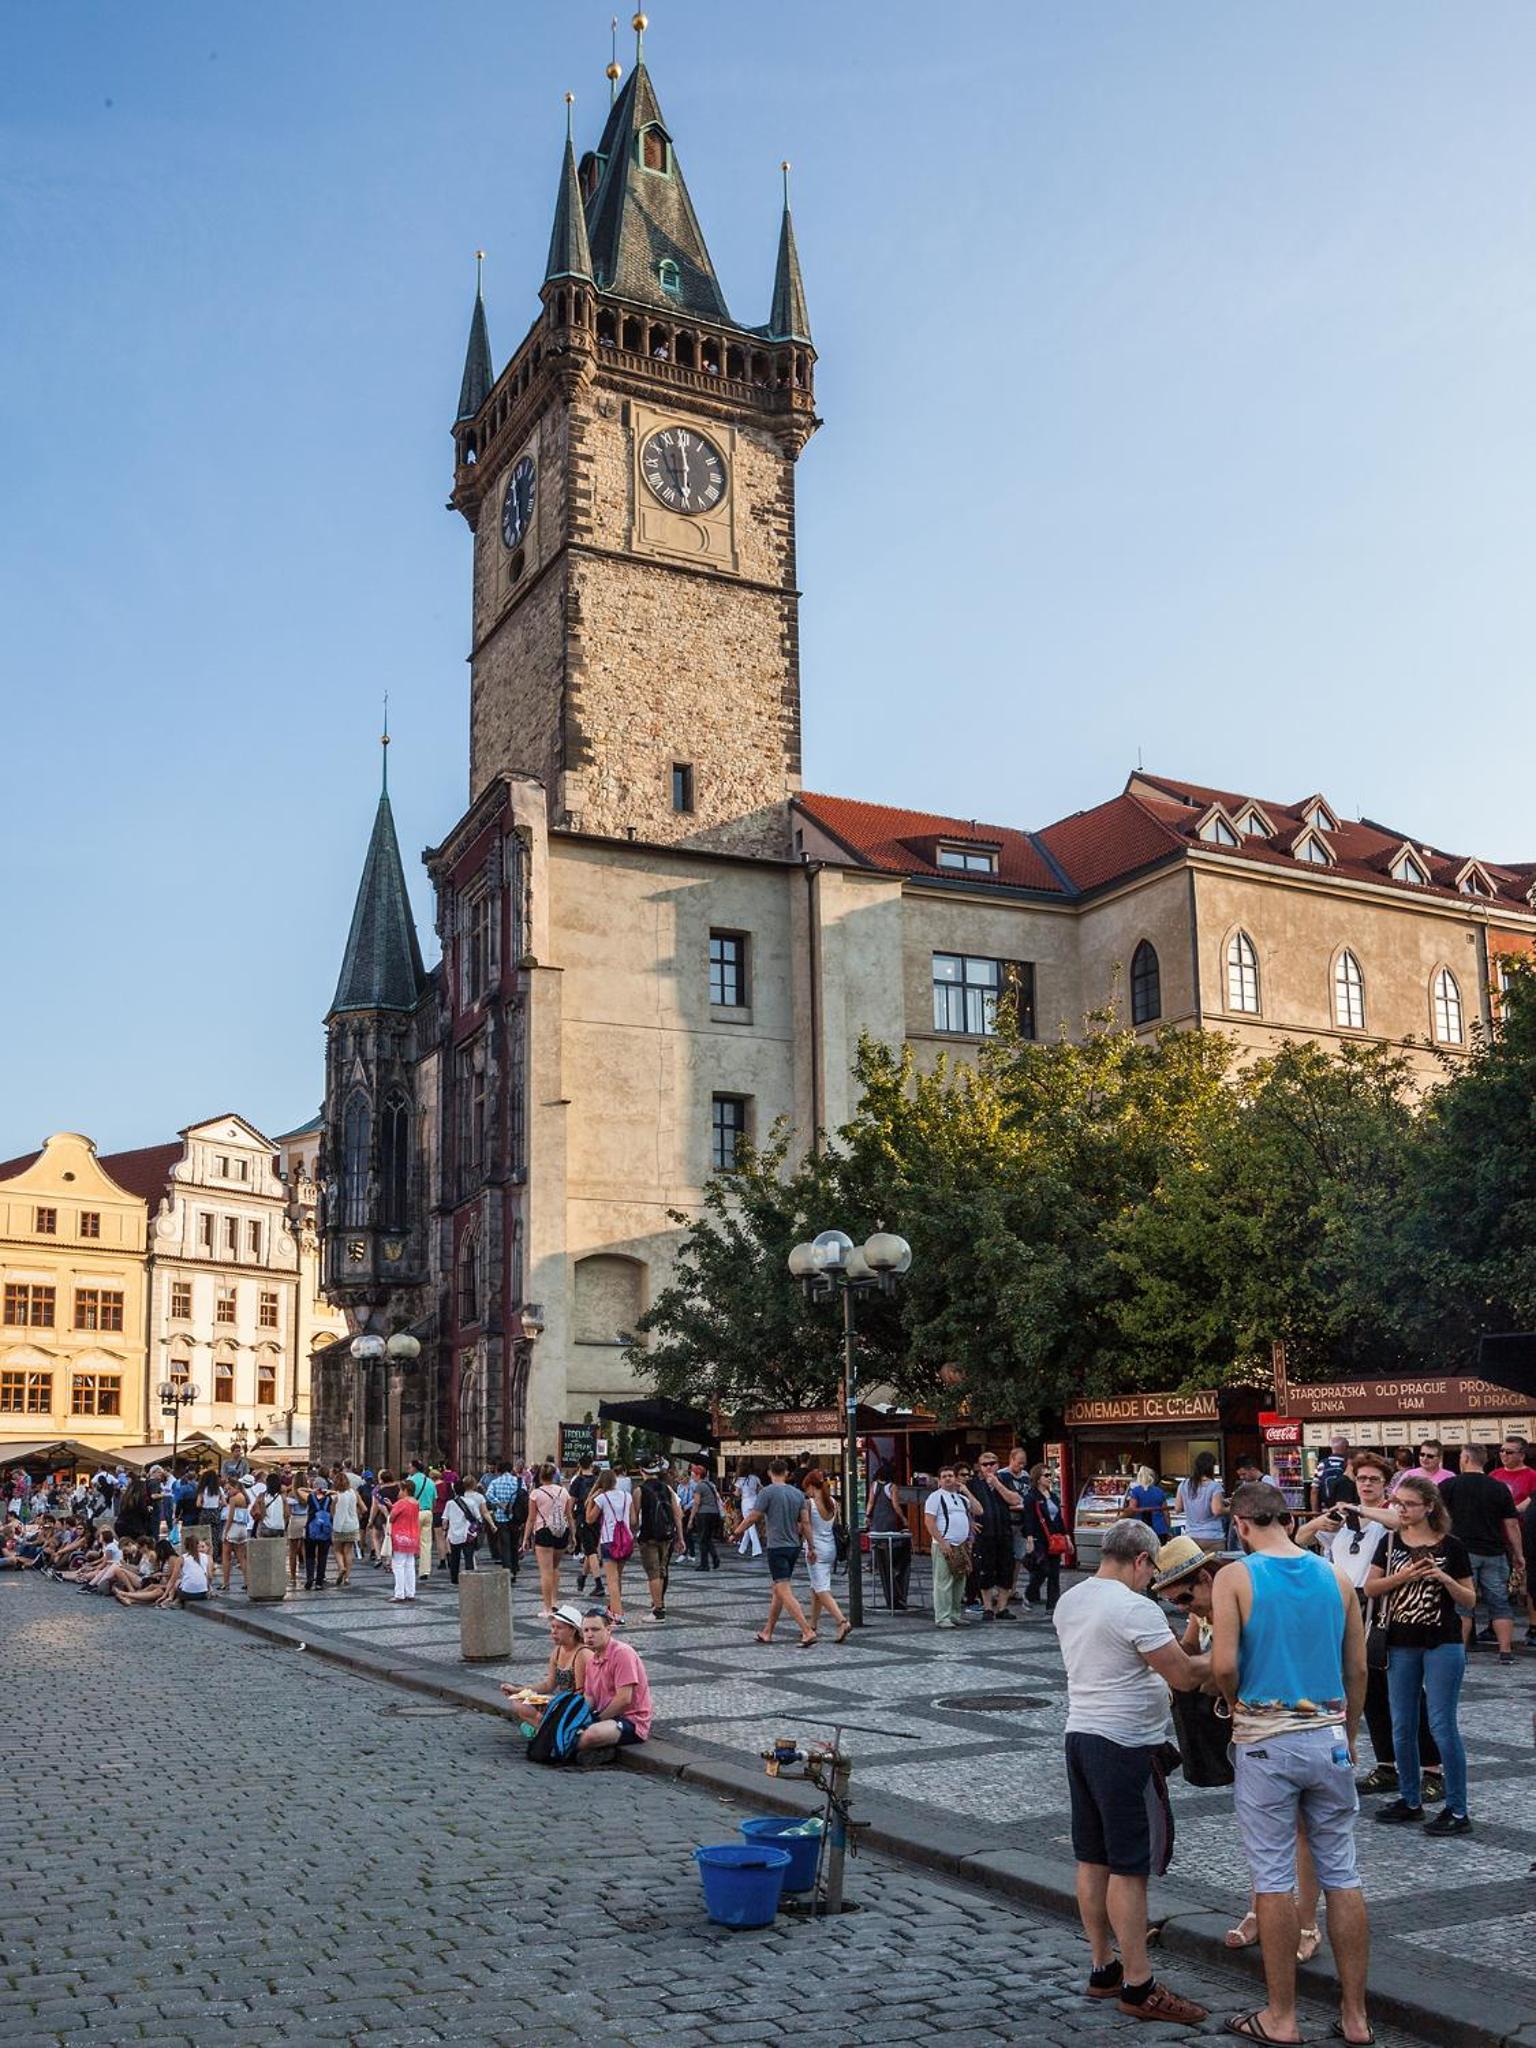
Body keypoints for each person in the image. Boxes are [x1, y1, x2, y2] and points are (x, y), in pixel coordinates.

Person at [1211, 1481, 1370, 2047]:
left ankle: (1282, 2015)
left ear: (1241, 1524)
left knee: (1274, 1879)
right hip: (1328, 1738)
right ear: (1285, 1517)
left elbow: (1225, 1662)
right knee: (1342, 1875)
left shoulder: (1236, 1576)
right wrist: (1346, 1734)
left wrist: (1233, 1703)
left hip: (1266, 1741)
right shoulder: (1338, 1579)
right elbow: (1357, 1672)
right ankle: (1355, 2017)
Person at [1053, 1518, 1211, 2027]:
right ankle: (1139, 1984)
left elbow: (1147, 1659)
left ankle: (1102, 1966)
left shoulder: (1072, 1599)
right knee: (1129, 1868)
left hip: (1080, 1737)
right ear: (1142, 1560)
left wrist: (1188, 1635)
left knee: (1092, 1858)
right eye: (1152, 1571)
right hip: (1124, 1748)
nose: (1154, 1583)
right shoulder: (1133, 1607)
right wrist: (1228, 1654)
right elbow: (1184, 1676)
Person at [1295, 1453, 1442, 1802]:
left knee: (1406, 1692)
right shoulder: (1343, 1521)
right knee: (1367, 1690)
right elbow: (1300, 1538)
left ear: (1385, 1484)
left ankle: (1433, 1769)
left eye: (1374, 1479)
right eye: (1361, 1479)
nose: (1366, 1485)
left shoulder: (1389, 1517)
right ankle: (1387, 1764)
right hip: (1346, 1609)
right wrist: (1321, 1523)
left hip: (1384, 1609)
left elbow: (1397, 1522)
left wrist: (1361, 1510)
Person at [1364, 1473, 1476, 1835]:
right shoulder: (1390, 1541)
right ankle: (1410, 1799)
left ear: (1429, 1506)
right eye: (1397, 1503)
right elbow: (1371, 1587)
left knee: (1442, 1725)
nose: (1401, 1510)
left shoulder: (1452, 1546)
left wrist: (1443, 1579)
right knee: (1402, 1725)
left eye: (1409, 1504)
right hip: (1399, 1641)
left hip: (1442, 1642)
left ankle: (1457, 1809)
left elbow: (1470, 1600)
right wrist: (1407, 1575)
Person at [1440, 1443, 1522, 1664]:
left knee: (1462, 1604)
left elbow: (1438, 1519)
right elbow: (1511, 1524)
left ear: (1465, 1458)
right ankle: (1505, 1652)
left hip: (1460, 1552)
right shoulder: (1499, 1488)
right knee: (1500, 1602)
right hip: (1494, 1551)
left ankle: (1460, 1650)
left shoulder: (1449, 1485)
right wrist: (1518, 1554)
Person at [738, 1458, 817, 1647]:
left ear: (769, 1473)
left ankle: (806, 1631)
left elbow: (754, 1516)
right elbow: (805, 1523)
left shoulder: (767, 1492)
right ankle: (768, 1631)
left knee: (783, 1590)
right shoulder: (798, 1494)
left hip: (777, 1546)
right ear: (787, 1473)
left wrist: (737, 1532)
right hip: (794, 1546)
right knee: (777, 1590)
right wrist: (811, 1546)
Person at [499, 1603, 590, 1730]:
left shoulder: (582, 1654)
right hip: (560, 1701)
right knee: (518, 1701)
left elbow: (581, 1694)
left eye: (559, 1628)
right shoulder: (558, 1651)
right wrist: (517, 1690)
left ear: (573, 1630)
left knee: (536, 1709)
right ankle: (546, 1727)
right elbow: (548, 1685)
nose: (554, 1632)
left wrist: (552, 1701)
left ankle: (544, 1729)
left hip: (575, 1704)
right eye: (552, 1627)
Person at [576, 1607, 653, 1752]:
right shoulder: (592, 1660)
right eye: (586, 1630)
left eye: (595, 1629)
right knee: (570, 1726)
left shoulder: (622, 1653)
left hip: (631, 1720)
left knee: (591, 1734)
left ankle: (563, 1750)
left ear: (608, 1629)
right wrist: (577, 1715)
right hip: (606, 1716)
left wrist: (596, 1720)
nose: (590, 1635)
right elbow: (590, 1697)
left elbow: (624, 1699)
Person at [965, 1452, 1022, 1621]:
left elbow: (1015, 1500)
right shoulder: (973, 1484)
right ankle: (988, 1607)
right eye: (985, 1464)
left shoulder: (1005, 1480)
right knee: (985, 1570)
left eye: (992, 1463)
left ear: (998, 1465)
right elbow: (964, 1505)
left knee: (1006, 1570)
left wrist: (997, 1484)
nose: (989, 1467)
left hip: (1004, 1531)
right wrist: (970, 1523)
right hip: (984, 1534)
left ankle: (1002, 1607)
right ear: (979, 1467)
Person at [799, 1467, 852, 1643]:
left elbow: (805, 1526)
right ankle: (812, 1624)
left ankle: (842, 1621)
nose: (806, 1492)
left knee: (822, 1590)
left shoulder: (809, 1504)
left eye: (806, 1488)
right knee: (816, 1587)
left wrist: (811, 1547)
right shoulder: (833, 1503)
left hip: (815, 1550)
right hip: (830, 1548)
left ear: (812, 1487)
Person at [923, 1465, 977, 1629]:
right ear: (939, 1480)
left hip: (961, 1545)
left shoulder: (961, 1498)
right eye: (944, 1476)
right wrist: (941, 1541)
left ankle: (955, 1614)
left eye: (951, 1476)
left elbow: (978, 1510)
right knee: (943, 1582)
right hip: (945, 1544)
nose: (948, 1479)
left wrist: (967, 1492)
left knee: (959, 1581)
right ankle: (942, 1616)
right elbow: (929, 1522)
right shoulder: (935, 1497)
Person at [586, 1467, 635, 1625]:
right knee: (618, 1577)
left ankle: (617, 1614)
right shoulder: (627, 1496)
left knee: (612, 1580)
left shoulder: (602, 1498)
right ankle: (614, 1608)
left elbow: (589, 1519)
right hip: (626, 1540)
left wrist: (591, 1499)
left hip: (609, 1541)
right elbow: (633, 1520)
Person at [523, 1464, 573, 1618]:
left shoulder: (536, 1494)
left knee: (545, 1571)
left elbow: (531, 1518)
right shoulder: (564, 1491)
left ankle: (546, 1608)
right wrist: (573, 1535)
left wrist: (525, 1538)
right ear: (554, 1476)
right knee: (555, 1568)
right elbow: (569, 1515)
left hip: (543, 1530)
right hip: (561, 1531)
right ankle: (554, 1601)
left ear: (539, 1476)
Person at [635, 1462, 684, 1620]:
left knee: (653, 1573)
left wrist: (630, 1534)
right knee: (662, 1571)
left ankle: (658, 1610)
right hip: (667, 1536)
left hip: (648, 1536)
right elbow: (678, 1514)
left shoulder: (639, 1490)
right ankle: (659, 1603)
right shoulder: (667, 1488)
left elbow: (633, 1519)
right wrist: (680, 1537)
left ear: (642, 1470)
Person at [1023, 1463, 1073, 1610]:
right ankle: (1030, 1593)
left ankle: (1052, 1605)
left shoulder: (1053, 1497)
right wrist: (1030, 1538)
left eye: (1050, 1475)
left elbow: (1059, 1518)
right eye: (1046, 1475)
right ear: (1038, 1478)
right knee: (1042, 1569)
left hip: (1054, 1536)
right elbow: (1029, 1519)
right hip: (1040, 1537)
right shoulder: (1031, 1497)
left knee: (1054, 1573)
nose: (1050, 1478)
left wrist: (1066, 1536)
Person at [867, 1460, 911, 1609]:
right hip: (888, 1517)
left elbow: (871, 1502)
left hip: (877, 1518)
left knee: (877, 1543)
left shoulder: (873, 1486)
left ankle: (874, 1563)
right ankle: (886, 1564)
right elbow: (895, 1505)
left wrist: (867, 1516)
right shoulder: (892, 1487)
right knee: (888, 1542)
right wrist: (903, 1518)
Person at [1173, 1451, 1226, 1551]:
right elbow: (1217, 1510)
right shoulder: (1214, 1486)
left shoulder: (1184, 1485)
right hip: (1213, 1536)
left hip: (1191, 1537)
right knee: (1216, 1566)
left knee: (1195, 1567)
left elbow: (1178, 1508)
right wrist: (1230, 1508)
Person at [440, 1477, 486, 1584]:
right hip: (468, 1534)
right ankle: (469, 1578)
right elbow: (478, 1518)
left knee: (454, 1557)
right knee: (468, 1556)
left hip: (454, 1535)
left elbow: (445, 1520)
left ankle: (454, 1578)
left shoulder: (450, 1503)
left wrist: (444, 1530)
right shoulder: (471, 1502)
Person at [484, 1459, 523, 1574]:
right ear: (511, 1469)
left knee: (505, 1544)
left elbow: (488, 1494)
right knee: (514, 1543)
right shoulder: (518, 1481)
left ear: (499, 1470)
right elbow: (524, 1495)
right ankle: (515, 1567)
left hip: (501, 1517)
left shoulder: (495, 1482)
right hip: (516, 1516)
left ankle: (508, 1569)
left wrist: (499, 1503)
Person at [685, 1460, 724, 1572]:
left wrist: (691, 1519)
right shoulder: (710, 1484)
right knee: (707, 1538)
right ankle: (715, 1558)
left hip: (704, 1514)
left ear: (698, 1475)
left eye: (693, 1474)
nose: (692, 1476)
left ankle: (704, 1564)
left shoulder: (699, 1487)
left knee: (702, 1539)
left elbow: (696, 1503)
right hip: (714, 1513)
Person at [386, 1475, 420, 1601]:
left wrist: (392, 1508)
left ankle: (399, 1593)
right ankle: (411, 1592)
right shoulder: (416, 1503)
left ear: (405, 1490)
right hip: (413, 1537)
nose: (399, 1492)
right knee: (410, 1565)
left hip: (400, 1537)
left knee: (398, 1566)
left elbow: (393, 1517)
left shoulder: (401, 1503)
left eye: (400, 1490)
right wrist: (393, 1506)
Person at [405, 1459, 436, 1582]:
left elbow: (406, 1498)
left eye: (410, 1467)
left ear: (414, 1468)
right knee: (426, 1543)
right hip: (428, 1512)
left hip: (415, 1512)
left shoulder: (411, 1481)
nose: (408, 1469)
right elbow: (434, 1500)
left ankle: (410, 1566)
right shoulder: (430, 1482)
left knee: (411, 1540)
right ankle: (425, 1570)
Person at [1309, 1434, 1357, 1514]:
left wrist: (1315, 1513)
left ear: (1332, 1448)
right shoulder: (1349, 1465)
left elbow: (1314, 1491)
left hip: (1327, 1511)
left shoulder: (1322, 1464)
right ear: (1346, 1448)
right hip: (1347, 1510)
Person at [329, 1470, 362, 1586]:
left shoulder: (335, 1495)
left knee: (337, 1550)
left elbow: (332, 1511)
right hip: (352, 1525)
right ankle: (347, 1577)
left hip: (339, 1525)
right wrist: (356, 1513)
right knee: (348, 1551)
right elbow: (364, 1508)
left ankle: (341, 1568)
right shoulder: (354, 1493)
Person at [220, 1478, 251, 1592]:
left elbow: (230, 1517)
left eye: (230, 1488)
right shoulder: (244, 1498)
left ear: (236, 1487)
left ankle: (225, 1583)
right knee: (241, 1557)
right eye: (227, 1489)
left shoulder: (233, 1499)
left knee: (226, 1556)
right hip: (242, 1529)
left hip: (233, 1527)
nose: (228, 1491)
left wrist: (225, 1532)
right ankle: (247, 1582)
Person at [304, 1476, 334, 1591]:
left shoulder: (310, 1497)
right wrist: (328, 1491)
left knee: (310, 1555)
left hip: (311, 1530)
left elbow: (299, 1490)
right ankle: (319, 1582)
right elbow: (333, 1512)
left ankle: (309, 1578)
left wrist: (313, 1490)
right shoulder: (330, 1499)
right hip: (325, 1530)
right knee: (323, 1556)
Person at [1125, 1464, 1170, 1538]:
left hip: (1141, 1530)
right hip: (1160, 1530)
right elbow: (1166, 1513)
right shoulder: (1159, 1491)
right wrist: (1167, 1529)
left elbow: (1132, 1510)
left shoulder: (1136, 1491)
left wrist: (1120, 1518)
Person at [735, 1467, 763, 1558]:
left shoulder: (740, 1480)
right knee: (749, 1523)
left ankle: (757, 1549)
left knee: (749, 1524)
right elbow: (760, 1488)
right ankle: (742, 1548)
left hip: (746, 1502)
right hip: (755, 1500)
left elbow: (737, 1493)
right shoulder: (755, 1478)